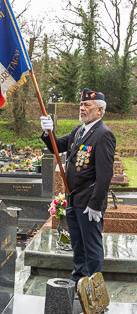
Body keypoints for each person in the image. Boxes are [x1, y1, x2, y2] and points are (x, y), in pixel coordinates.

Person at [40, 88, 115, 281]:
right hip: (72, 198)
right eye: (81, 104)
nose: (82, 108)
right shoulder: (79, 130)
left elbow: (105, 175)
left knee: (91, 245)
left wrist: (96, 205)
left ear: (99, 110)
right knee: (77, 244)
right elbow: (57, 146)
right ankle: (79, 279)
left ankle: (93, 285)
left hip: (88, 202)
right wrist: (48, 132)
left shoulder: (103, 134)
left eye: (87, 105)